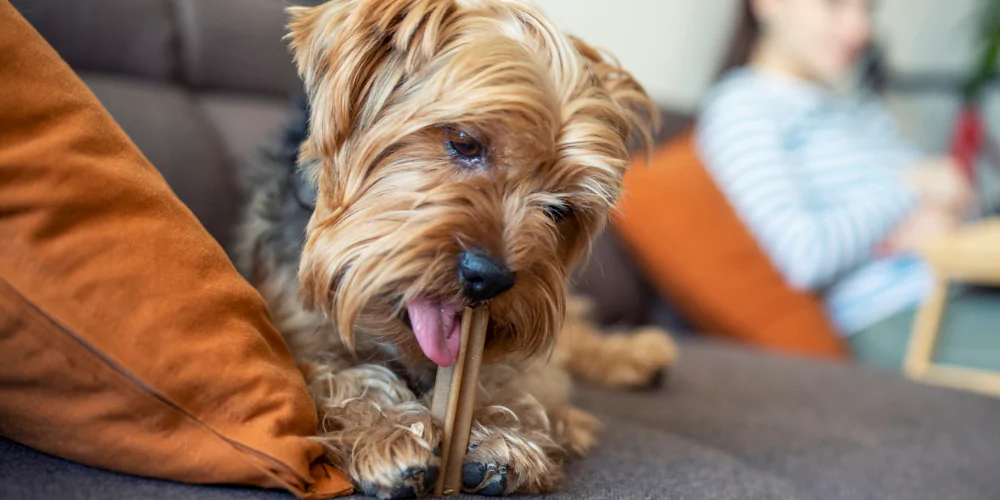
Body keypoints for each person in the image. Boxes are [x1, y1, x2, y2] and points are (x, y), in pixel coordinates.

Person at [695, 0, 996, 371]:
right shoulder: (743, 107)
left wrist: (941, 203)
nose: (860, 30)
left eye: (868, 9)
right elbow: (805, 255)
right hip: (893, 314)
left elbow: (949, 201)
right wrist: (909, 191)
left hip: (960, 287)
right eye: (834, 5)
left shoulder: (855, 108)